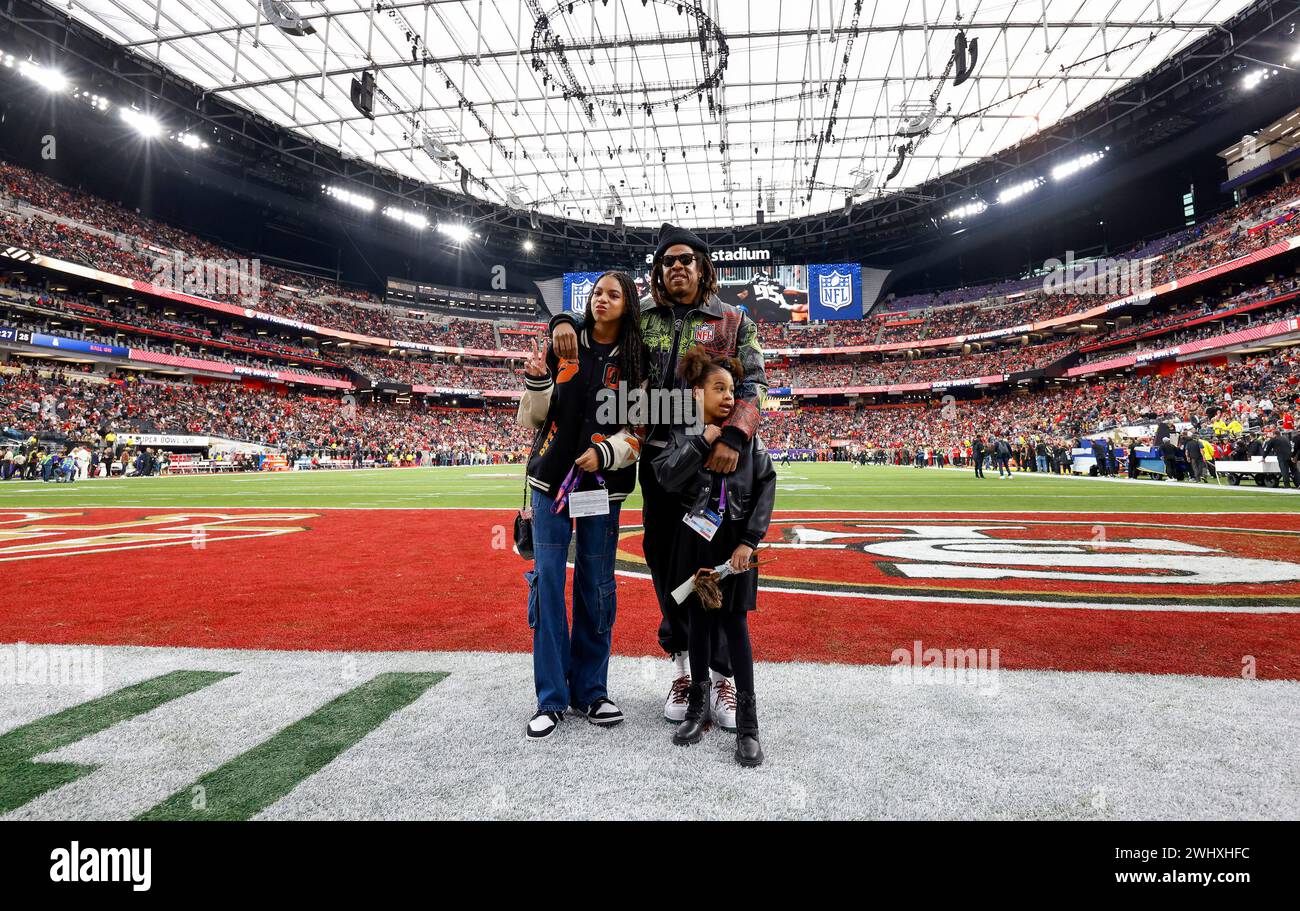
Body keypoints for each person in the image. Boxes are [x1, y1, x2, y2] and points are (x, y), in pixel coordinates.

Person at [549, 223, 767, 730]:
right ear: (657, 271)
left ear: (702, 267)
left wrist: (733, 437)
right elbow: (594, 334)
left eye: (686, 259)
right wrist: (561, 316)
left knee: (718, 567)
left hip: (717, 464)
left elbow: (754, 383)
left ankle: (724, 676)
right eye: (668, 260)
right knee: (667, 568)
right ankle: (686, 669)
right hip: (659, 463)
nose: (677, 267)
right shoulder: (639, 317)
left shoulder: (733, 321)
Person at [517, 271, 646, 741]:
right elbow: (531, 418)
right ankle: (550, 698)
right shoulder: (561, 342)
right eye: (596, 294)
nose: (602, 300)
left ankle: (591, 689)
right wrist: (536, 381)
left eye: (613, 294)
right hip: (550, 483)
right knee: (549, 584)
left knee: (596, 584)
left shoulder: (637, 357)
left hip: (604, 487)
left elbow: (640, 431)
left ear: (628, 302)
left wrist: (604, 453)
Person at [652, 350, 775, 767]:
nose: (727, 397)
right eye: (717, 389)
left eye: (731, 390)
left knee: (736, 626)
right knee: (699, 625)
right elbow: (666, 477)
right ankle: (697, 709)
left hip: (735, 544)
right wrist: (700, 441)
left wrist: (750, 541)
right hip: (695, 541)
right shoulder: (684, 434)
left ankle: (748, 726)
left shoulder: (747, 436)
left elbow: (765, 484)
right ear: (695, 393)